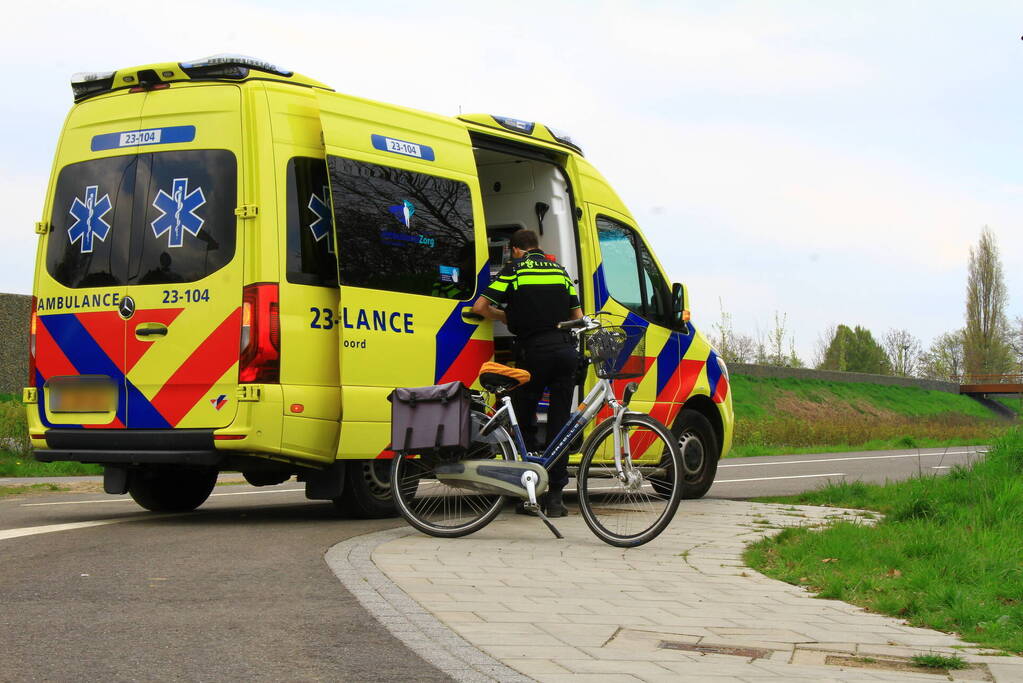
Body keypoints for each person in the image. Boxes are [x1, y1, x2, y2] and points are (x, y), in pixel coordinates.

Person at [472, 229, 583, 517]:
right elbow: (578, 317)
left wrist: (506, 316)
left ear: (514, 250)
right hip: (565, 352)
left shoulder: (514, 270)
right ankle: (555, 497)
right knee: (560, 423)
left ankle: (529, 492)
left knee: (525, 419)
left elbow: (480, 307)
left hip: (534, 353)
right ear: (536, 246)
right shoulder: (560, 271)